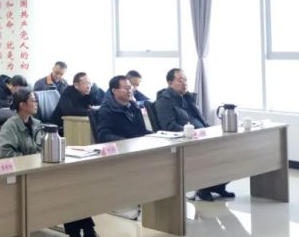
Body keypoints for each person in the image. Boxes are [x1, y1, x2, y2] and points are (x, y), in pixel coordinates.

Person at [0, 87, 109, 237]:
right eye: (33, 100)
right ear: (22, 104)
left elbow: (46, 147)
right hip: (25, 177)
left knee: (77, 190)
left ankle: (89, 234)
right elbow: (6, 155)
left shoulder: (37, 124)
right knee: (67, 194)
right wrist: (34, 160)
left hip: (43, 172)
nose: (36, 104)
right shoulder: (9, 127)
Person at [155, 68, 233, 201]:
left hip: (202, 136)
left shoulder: (188, 97)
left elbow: (201, 120)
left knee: (230, 150)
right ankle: (204, 188)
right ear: (170, 82)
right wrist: (193, 133)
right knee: (214, 154)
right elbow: (169, 126)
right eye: (180, 80)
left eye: (185, 80)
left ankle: (218, 185)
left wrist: (210, 131)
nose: (184, 83)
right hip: (186, 141)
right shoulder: (164, 101)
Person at [95, 75, 150, 143]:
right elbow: (103, 136)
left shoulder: (135, 107)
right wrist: (126, 141)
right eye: (126, 88)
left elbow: (141, 130)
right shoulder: (106, 110)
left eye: (130, 87)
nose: (129, 91)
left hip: (137, 145)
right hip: (121, 147)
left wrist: (154, 136)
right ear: (114, 90)